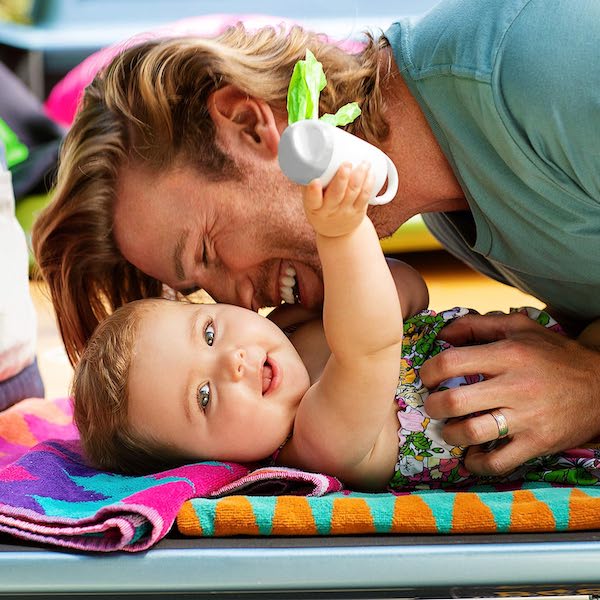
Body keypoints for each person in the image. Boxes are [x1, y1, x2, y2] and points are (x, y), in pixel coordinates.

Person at [33, 0, 600, 478]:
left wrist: (590, 387)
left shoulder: (536, 72)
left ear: (251, 126)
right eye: (200, 291)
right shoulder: (454, 218)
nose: (242, 304)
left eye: (206, 250)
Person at [72, 162, 579, 488]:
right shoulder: (317, 443)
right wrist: (341, 234)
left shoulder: (287, 329)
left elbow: (409, 291)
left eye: (209, 333)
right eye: (203, 396)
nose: (233, 360)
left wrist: (349, 288)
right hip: (552, 427)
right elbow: (370, 346)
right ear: (208, 461)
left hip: (548, 345)